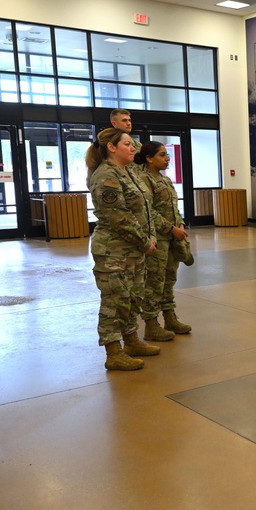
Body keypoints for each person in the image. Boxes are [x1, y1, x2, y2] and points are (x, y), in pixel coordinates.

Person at [86, 127, 160, 371]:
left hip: (133, 249)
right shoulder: (106, 176)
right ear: (112, 147)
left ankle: (131, 341)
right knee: (114, 301)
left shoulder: (127, 172)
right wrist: (144, 241)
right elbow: (119, 217)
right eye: (128, 144)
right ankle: (113, 351)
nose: (133, 148)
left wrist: (148, 238)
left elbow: (143, 210)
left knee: (132, 297)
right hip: (113, 251)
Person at [136, 141, 192, 338]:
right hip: (157, 239)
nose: (167, 158)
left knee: (169, 279)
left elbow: (174, 207)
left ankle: (170, 318)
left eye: (167, 155)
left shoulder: (165, 180)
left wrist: (181, 224)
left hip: (172, 238)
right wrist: (171, 228)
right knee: (154, 282)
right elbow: (148, 211)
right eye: (162, 155)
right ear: (149, 158)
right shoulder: (143, 179)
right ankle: (151, 324)